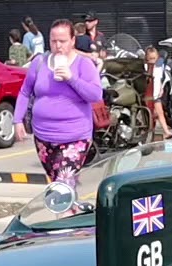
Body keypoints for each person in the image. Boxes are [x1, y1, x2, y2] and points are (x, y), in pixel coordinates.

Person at [12, 19, 104, 190]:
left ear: (72, 41)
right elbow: (25, 92)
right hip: (43, 136)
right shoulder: (39, 63)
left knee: (63, 186)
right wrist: (18, 120)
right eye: (54, 41)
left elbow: (95, 94)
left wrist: (71, 78)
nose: (58, 46)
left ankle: (67, 212)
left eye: (62, 41)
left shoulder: (83, 64)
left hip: (74, 137)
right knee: (57, 186)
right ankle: (71, 212)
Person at [145, 45, 172, 139]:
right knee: (149, 114)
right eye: (150, 58)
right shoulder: (145, 67)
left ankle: (166, 131)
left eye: (154, 58)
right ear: (146, 58)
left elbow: (161, 79)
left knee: (160, 112)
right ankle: (150, 132)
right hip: (148, 94)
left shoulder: (159, 67)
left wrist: (162, 88)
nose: (153, 60)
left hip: (156, 93)